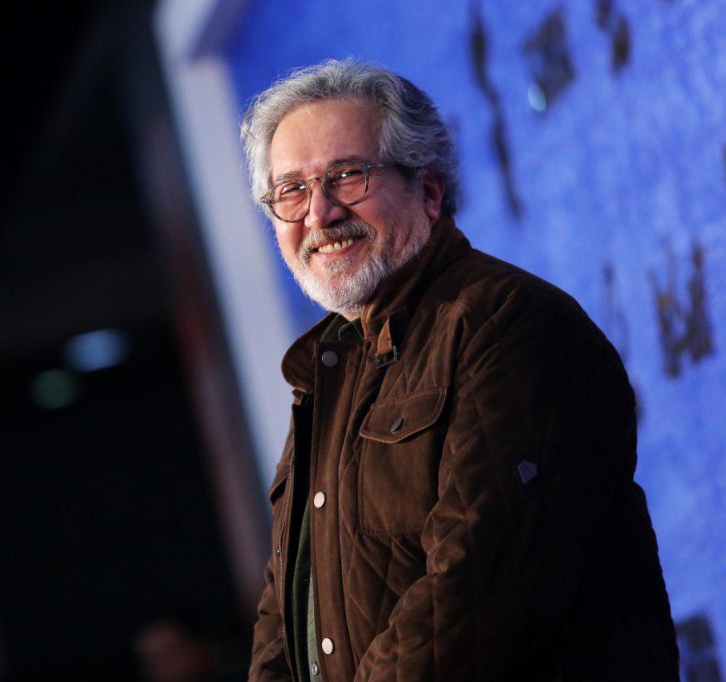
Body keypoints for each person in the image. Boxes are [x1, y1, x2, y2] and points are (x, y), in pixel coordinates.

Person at [239, 58, 678, 681]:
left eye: (347, 176)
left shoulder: (511, 324)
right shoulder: (328, 372)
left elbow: (470, 597)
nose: (319, 213)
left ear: (429, 190)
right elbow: (285, 618)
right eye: (291, 191)